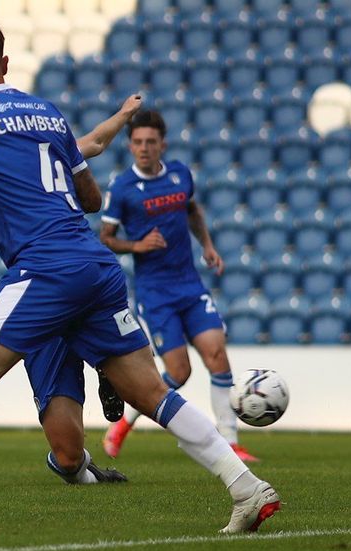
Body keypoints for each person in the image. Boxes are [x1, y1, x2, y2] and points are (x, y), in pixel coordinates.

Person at [0, 21, 279, 535]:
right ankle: (247, 488)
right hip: (95, 264)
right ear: (7, 65)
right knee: (150, 392)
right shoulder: (46, 113)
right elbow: (93, 200)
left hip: (46, 265)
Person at [0, 95, 144, 483]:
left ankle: (104, 360)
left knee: (144, 385)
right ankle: (85, 467)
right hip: (37, 295)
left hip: (77, 278)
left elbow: (95, 142)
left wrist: (122, 115)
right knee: (69, 458)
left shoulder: (43, 153)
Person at [99, 110, 258, 463]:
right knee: (179, 373)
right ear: (130, 145)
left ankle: (230, 442)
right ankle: (124, 423)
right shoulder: (122, 188)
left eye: (150, 142)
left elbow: (192, 211)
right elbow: (106, 237)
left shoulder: (180, 175)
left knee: (217, 354)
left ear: (162, 144)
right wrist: (137, 246)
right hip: (155, 293)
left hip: (189, 283)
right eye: (137, 142)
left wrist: (208, 245)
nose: (143, 148)